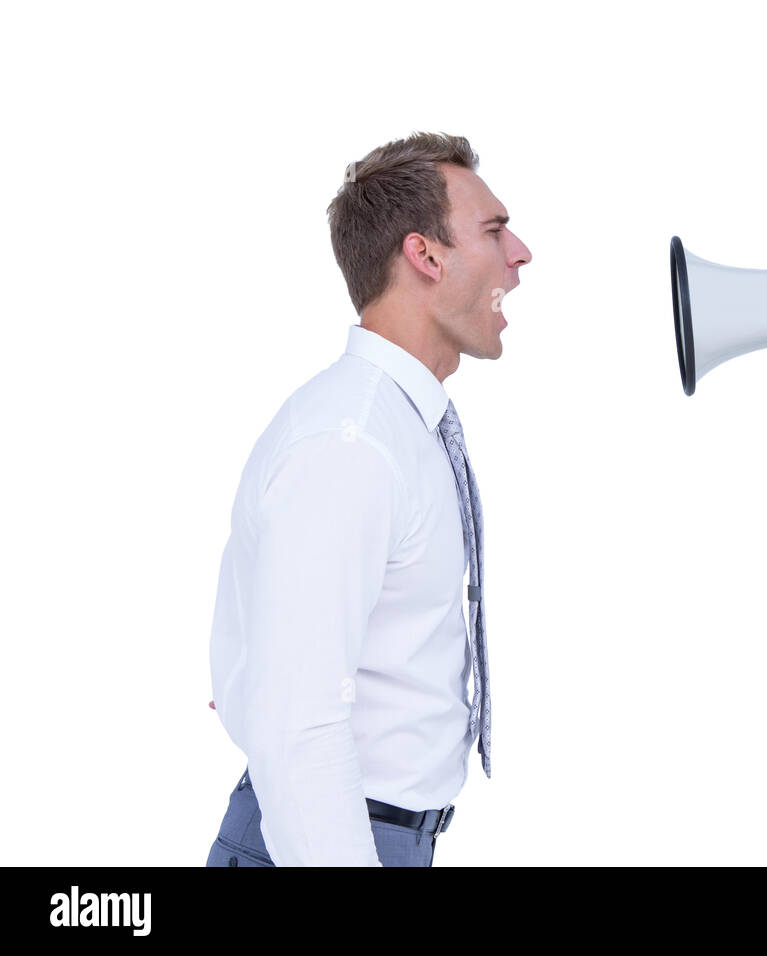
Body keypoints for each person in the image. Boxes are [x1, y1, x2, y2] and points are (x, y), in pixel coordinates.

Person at [204, 131, 531, 866]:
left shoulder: (396, 427)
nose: (520, 252)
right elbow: (297, 727)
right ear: (425, 255)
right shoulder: (350, 444)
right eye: (493, 229)